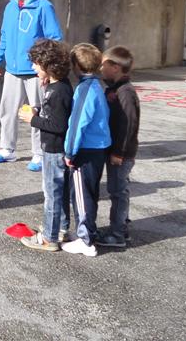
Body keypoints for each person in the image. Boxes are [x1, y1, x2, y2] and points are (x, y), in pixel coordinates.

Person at [0, 0, 63, 171]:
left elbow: (55, 39)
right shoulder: (10, 7)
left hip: (36, 72)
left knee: (39, 113)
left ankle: (39, 154)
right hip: (12, 71)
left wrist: (47, 69)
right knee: (7, 111)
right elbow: (4, 35)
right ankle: (7, 149)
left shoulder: (44, 6)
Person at [17, 39, 74, 251]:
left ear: (48, 65)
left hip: (54, 149)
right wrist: (37, 110)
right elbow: (53, 113)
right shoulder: (56, 85)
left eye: (36, 64)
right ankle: (60, 229)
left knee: (52, 194)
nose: (33, 67)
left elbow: (58, 125)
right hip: (55, 149)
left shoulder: (59, 91)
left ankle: (49, 237)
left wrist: (33, 120)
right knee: (59, 192)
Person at [60, 43, 111, 258]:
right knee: (90, 193)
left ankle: (86, 240)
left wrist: (69, 152)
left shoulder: (84, 89)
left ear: (77, 66)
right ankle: (89, 231)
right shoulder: (96, 86)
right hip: (98, 148)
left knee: (82, 196)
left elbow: (77, 124)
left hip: (85, 150)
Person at [97, 46, 140, 248]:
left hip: (121, 153)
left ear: (115, 67)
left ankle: (118, 234)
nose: (100, 68)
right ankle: (121, 226)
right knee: (118, 189)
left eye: (103, 65)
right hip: (116, 151)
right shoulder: (115, 89)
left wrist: (118, 152)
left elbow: (128, 124)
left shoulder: (126, 92)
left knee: (118, 191)